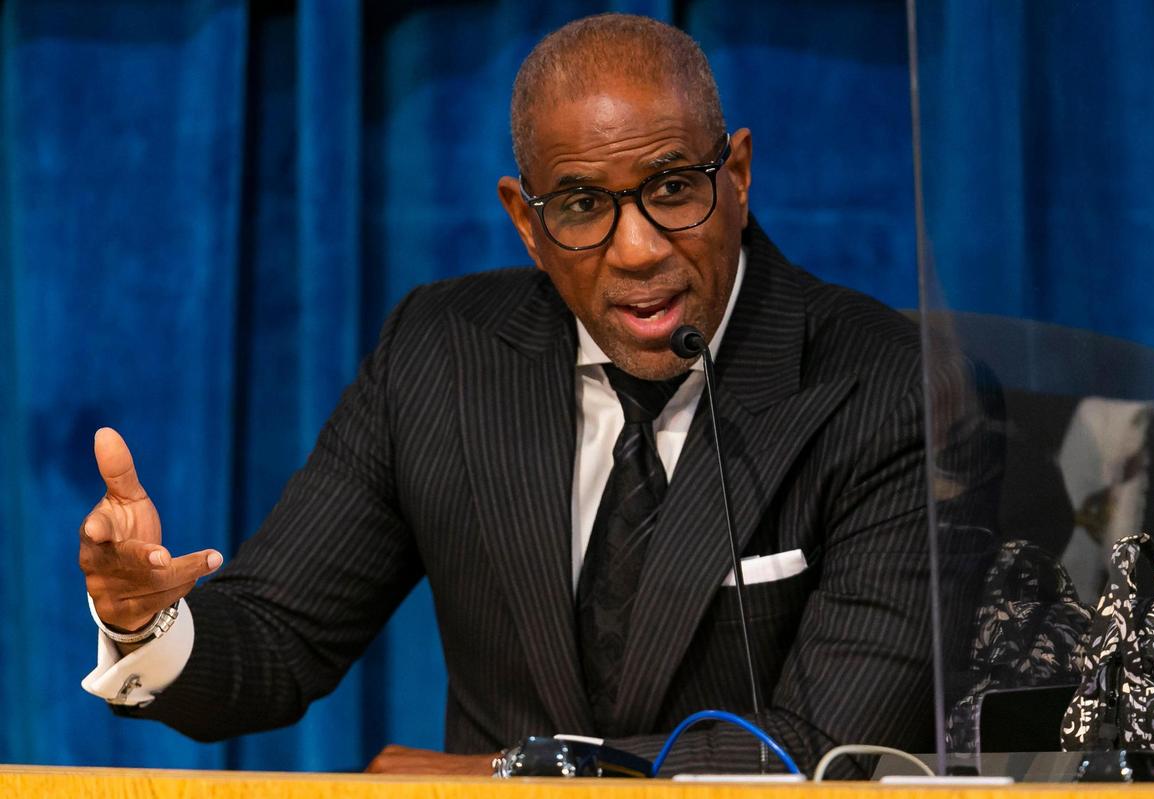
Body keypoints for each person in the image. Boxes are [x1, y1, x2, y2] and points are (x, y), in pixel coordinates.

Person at [78, 14, 959, 777]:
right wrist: (147, 623)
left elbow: (832, 747)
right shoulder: (443, 355)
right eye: (582, 205)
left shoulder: (888, 388)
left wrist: (518, 773)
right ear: (526, 223)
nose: (639, 249)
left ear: (737, 175)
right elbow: (278, 639)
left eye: (672, 188)